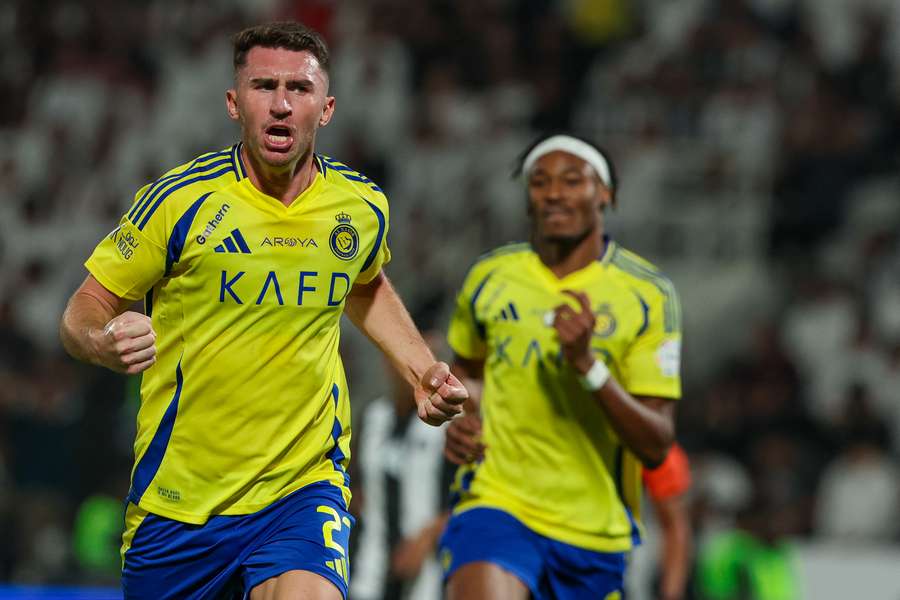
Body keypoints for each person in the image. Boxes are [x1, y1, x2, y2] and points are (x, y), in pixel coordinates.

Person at [59, 21, 467, 600]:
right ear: (234, 103)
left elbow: (364, 284)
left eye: (299, 90)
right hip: (181, 505)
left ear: (325, 109)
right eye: (263, 86)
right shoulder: (180, 201)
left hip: (301, 488)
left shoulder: (361, 206)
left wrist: (422, 370)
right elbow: (85, 305)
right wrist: (99, 340)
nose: (280, 104)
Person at [438, 132, 683, 600]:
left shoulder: (648, 295)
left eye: (573, 180)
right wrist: (461, 415)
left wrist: (587, 365)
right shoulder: (490, 277)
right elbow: (465, 373)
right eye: (540, 181)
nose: (554, 193)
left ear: (605, 194)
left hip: (594, 530)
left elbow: (656, 444)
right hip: (497, 500)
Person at [351, 327, 455, 600]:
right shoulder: (374, 418)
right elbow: (355, 488)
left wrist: (426, 538)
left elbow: (468, 497)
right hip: (368, 576)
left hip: (427, 584)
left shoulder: (447, 426)